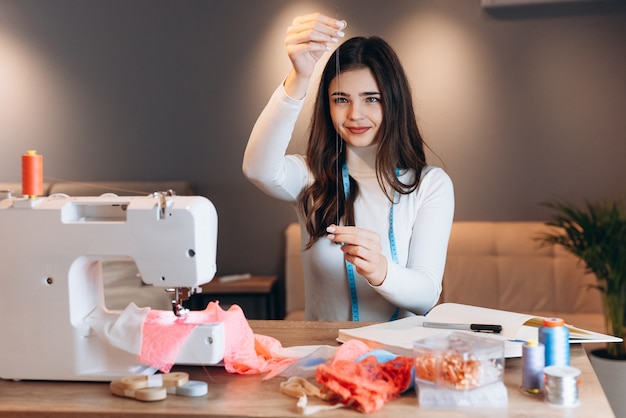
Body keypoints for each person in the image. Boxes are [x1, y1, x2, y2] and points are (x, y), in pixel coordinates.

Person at [243, 13, 454, 322]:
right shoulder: (310, 177)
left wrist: (380, 269)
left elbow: (426, 297)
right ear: (327, 106)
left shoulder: (430, 185)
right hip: (325, 358)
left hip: (398, 360)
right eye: (341, 99)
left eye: (372, 99)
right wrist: (299, 76)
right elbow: (257, 169)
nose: (355, 114)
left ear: (394, 102)